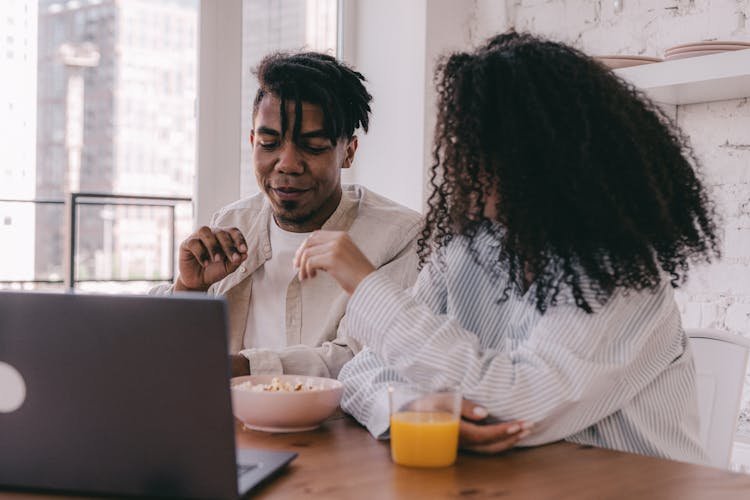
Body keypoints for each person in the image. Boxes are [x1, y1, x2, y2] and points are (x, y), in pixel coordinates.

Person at [292, 32, 719, 462]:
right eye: (457, 140)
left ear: (543, 154)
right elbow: (363, 373)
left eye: (479, 143)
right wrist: (410, 406)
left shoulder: (620, 277)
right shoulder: (468, 251)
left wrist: (367, 285)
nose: (459, 159)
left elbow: (515, 405)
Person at [151, 51, 421, 378]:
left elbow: (365, 361)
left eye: (313, 146)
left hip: (334, 429)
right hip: (224, 423)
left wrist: (244, 369)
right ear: (253, 142)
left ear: (348, 152)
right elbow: (168, 352)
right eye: (269, 143)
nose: (288, 163)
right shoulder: (231, 223)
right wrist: (188, 292)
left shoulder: (399, 237)